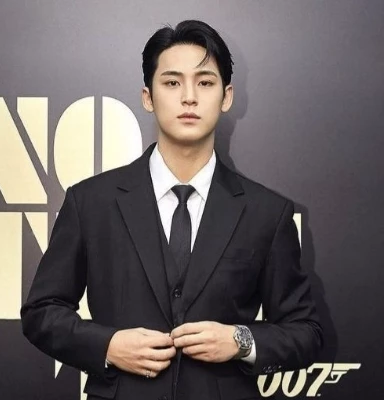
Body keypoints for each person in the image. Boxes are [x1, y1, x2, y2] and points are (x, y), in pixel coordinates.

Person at [21, 19, 323, 400]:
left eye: (205, 82)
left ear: (227, 97)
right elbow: (41, 311)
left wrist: (240, 340)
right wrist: (108, 345)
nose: (189, 97)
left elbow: (306, 332)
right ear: (148, 97)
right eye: (172, 83)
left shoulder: (267, 212)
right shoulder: (91, 202)